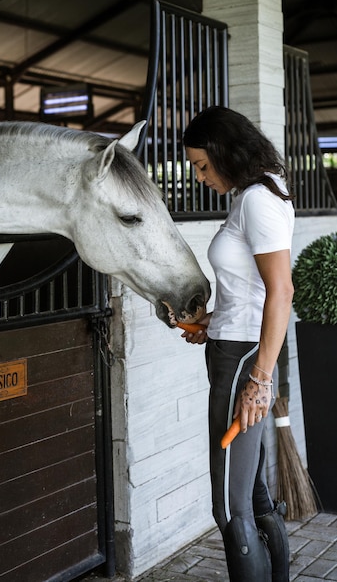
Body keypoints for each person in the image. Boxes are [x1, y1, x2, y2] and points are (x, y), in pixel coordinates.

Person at [182, 106, 295, 582]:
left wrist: (259, 381)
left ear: (227, 151)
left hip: (244, 359)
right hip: (237, 345)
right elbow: (250, 289)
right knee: (253, 494)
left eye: (203, 166)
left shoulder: (257, 200)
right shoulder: (256, 191)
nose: (200, 176)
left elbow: (281, 291)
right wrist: (212, 320)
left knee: (229, 508)